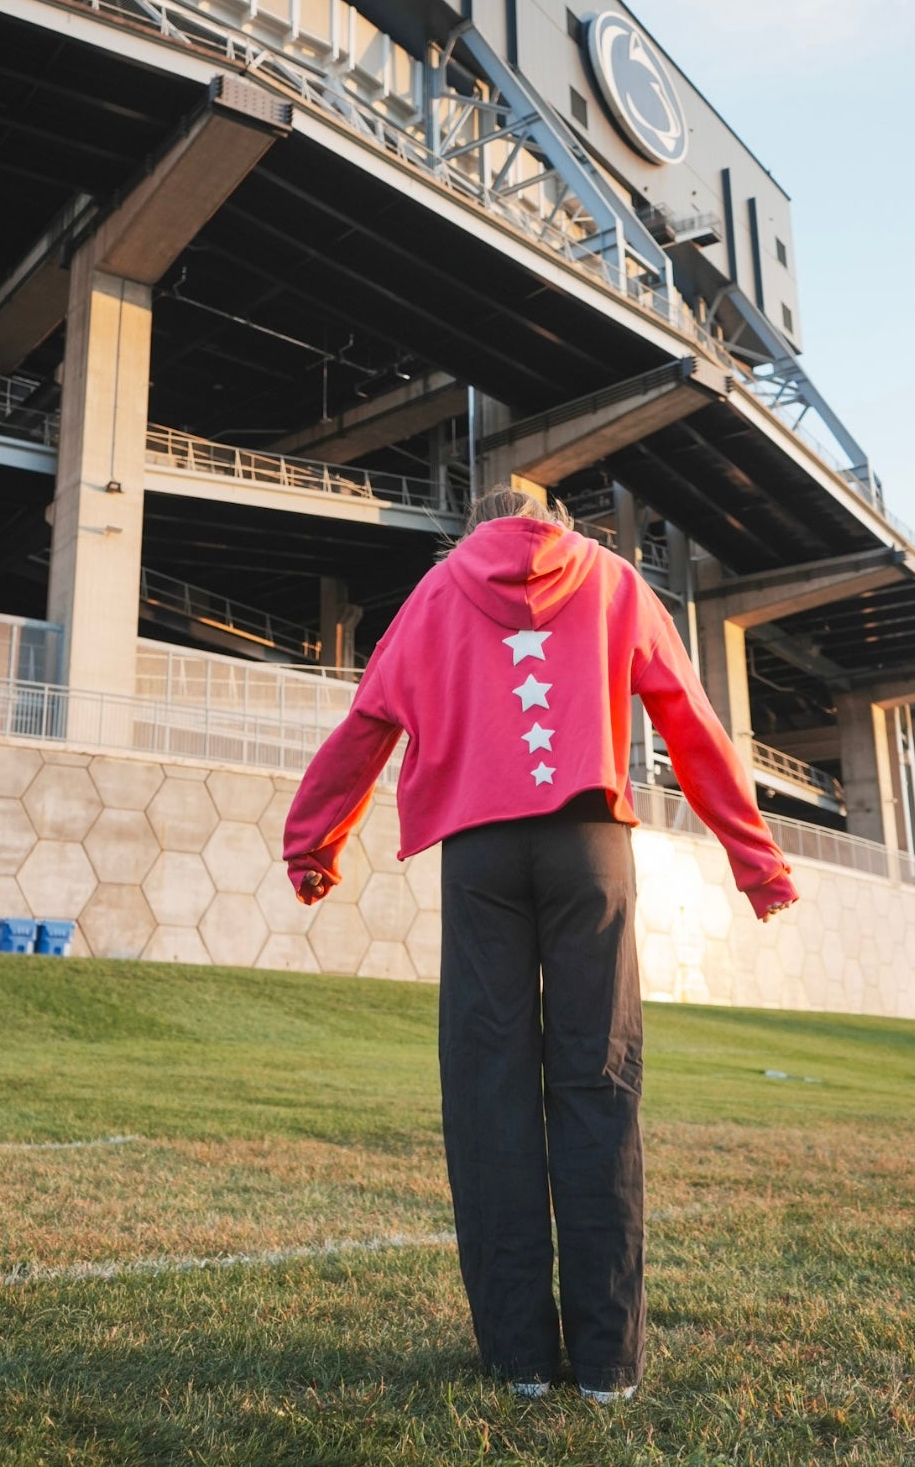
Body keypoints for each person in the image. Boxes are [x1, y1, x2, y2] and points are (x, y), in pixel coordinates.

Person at [283, 485, 798, 1401]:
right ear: (559, 517)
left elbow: (369, 719)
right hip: (588, 845)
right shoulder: (613, 579)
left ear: (477, 523)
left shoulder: (439, 590)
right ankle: (607, 1367)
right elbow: (689, 718)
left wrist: (314, 842)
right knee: (598, 1083)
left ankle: (520, 1362)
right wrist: (756, 859)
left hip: (481, 854)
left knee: (491, 1089)